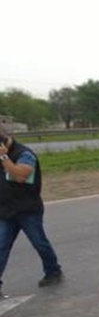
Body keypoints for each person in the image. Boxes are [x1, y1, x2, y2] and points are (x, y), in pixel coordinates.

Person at [0, 126, 62, 298]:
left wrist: (4, 158)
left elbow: (21, 176)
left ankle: (53, 271)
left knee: (39, 242)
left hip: (27, 209)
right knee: (1, 246)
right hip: (6, 210)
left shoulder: (25, 154)